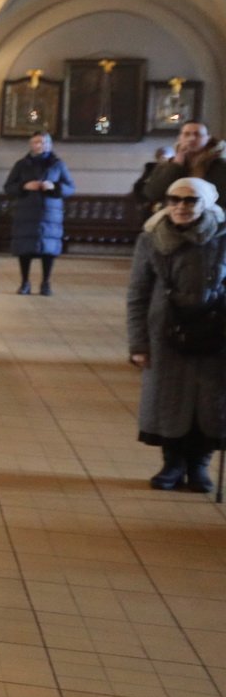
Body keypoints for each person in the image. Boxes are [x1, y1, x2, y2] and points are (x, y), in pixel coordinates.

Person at [127, 176, 226, 494]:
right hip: (166, 333)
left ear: (205, 203)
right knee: (168, 399)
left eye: (190, 200)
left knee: (209, 402)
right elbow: (138, 294)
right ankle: (172, 464)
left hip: (215, 331)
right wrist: (138, 343)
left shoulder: (222, 237)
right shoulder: (151, 239)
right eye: (175, 199)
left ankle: (198, 466)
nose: (181, 206)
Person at [3, 132, 75, 296]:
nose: (40, 145)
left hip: (49, 213)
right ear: (31, 145)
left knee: (48, 250)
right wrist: (24, 186)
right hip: (26, 212)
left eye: (43, 142)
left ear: (49, 145)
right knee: (25, 249)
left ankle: (46, 283)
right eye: (36, 142)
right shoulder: (21, 164)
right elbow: (8, 187)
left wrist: (54, 187)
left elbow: (70, 187)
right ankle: (25, 282)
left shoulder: (58, 164)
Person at [141, 120, 226, 204]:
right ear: (180, 138)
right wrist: (176, 165)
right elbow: (152, 194)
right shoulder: (167, 164)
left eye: (198, 134)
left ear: (208, 138)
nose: (192, 138)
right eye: (186, 134)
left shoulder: (220, 165)